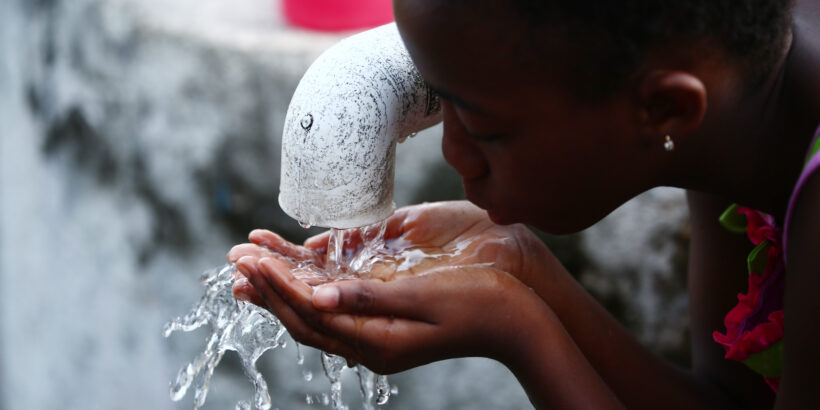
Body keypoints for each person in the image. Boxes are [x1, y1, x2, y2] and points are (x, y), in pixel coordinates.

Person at [229, 0, 820, 408]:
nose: (455, 153)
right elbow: (728, 403)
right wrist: (523, 266)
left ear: (664, 111)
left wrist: (519, 328)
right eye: (442, 103)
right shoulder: (734, 83)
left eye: (483, 129)